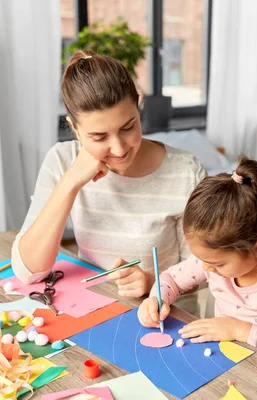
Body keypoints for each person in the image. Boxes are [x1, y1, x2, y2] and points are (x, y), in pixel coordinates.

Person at [11, 50, 206, 303]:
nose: (119, 148)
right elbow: (29, 271)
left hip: (166, 318)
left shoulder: (185, 172)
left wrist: (154, 282)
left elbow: (207, 266)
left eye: (128, 127)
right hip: (92, 311)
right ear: (75, 129)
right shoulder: (62, 160)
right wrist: (71, 182)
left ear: (138, 107)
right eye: (99, 137)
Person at [138, 157, 257, 372]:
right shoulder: (212, 260)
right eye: (203, 260)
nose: (206, 268)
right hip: (225, 367)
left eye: (217, 264)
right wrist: (156, 299)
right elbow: (170, 279)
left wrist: (239, 330)